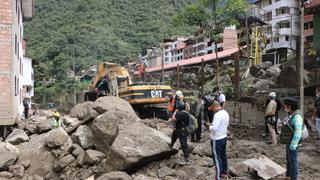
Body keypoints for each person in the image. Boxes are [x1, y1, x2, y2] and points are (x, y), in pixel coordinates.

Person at [280, 97, 303, 180]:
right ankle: (288, 175)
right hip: (289, 141)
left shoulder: (297, 116)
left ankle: (294, 177)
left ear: (290, 106)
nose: (284, 107)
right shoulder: (291, 114)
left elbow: (298, 132)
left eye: (285, 105)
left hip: (293, 142)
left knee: (293, 160)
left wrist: (294, 145)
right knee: (289, 159)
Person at [208, 100, 229, 180]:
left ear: (214, 106)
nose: (212, 110)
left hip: (216, 139)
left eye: (212, 108)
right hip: (224, 137)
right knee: (223, 155)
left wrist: (209, 127)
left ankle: (218, 176)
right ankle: (224, 172)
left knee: (217, 158)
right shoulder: (225, 112)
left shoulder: (217, 115)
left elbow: (214, 128)